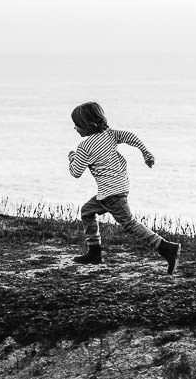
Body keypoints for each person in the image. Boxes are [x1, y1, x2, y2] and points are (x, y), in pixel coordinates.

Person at [66, 101, 180, 272]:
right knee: (87, 211)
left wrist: (72, 158)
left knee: (129, 224)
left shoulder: (84, 147)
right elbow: (131, 137)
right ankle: (94, 252)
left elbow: (75, 172)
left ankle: (166, 247)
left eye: (77, 125)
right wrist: (145, 152)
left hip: (110, 194)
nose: (75, 128)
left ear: (89, 125)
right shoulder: (110, 134)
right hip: (117, 188)